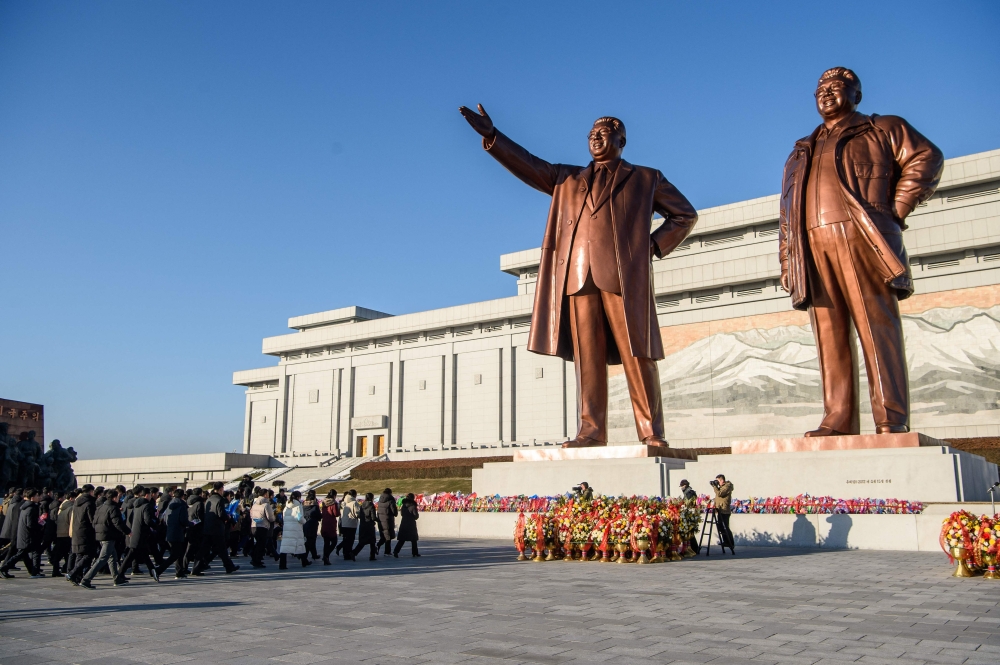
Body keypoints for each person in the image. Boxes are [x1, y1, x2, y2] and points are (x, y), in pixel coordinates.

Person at [459, 105, 698, 448]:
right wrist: (493, 137)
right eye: (591, 135)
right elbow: (528, 164)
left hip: (622, 278)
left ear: (621, 140)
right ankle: (591, 431)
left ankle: (651, 432)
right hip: (577, 276)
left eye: (603, 133)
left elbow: (684, 215)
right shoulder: (566, 179)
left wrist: (650, 247)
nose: (596, 138)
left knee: (637, 353)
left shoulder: (646, 178)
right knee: (587, 359)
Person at [779, 67, 943, 437]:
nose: (826, 93)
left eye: (837, 87)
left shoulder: (880, 128)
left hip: (862, 237)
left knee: (877, 326)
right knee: (829, 335)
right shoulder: (800, 151)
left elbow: (926, 158)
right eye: (820, 88)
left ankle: (890, 417)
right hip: (811, 245)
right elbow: (787, 214)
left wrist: (895, 209)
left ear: (857, 96)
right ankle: (837, 418)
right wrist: (789, 260)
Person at [81, 489, 128, 588]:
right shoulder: (113, 508)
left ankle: (117, 578)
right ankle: (86, 579)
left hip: (101, 535)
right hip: (108, 536)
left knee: (112, 557)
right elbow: (117, 523)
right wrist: (128, 531)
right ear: (115, 498)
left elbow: (94, 521)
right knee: (102, 559)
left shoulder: (101, 507)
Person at [191, 482, 239, 575]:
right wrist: (228, 518)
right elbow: (221, 514)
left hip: (208, 527)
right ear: (221, 489)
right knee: (221, 548)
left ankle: (197, 567)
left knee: (206, 549)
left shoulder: (209, 499)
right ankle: (228, 567)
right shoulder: (219, 500)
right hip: (217, 528)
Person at [116, 487, 160, 583]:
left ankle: (153, 572)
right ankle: (119, 574)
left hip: (136, 531)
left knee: (144, 554)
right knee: (131, 554)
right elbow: (147, 520)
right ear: (147, 495)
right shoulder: (146, 505)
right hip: (141, 533)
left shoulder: (136, 505)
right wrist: (156, 527)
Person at [0, 489, 44, 578]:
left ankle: (34, 571)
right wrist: (40, 524)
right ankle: (4, 568)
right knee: (29, 553)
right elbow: (30, 524)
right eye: (37, 496)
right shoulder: (31, 508)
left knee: (23, 553)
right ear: (32, 498)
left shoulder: (24, 506)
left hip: (24, 535)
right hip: (29, 536)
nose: (39, 497)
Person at [66, 484, 98, 585]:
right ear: (91, 491)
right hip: (86, 532)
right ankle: (72, 573)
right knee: (89, 555)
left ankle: (77, 578)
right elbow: (92, 519)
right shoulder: (89, 503)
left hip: (77, 530)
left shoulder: (76, 502)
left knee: (80, 555)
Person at [156, 489, 190, 579]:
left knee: (178, 553)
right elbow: (183, 520)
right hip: (178, 532)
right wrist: (191, 523)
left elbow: (165, 518)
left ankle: (179, 572)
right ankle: (158, 571)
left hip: (169, 531)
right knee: (175, 555)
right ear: (183, 496)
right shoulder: (182, 505)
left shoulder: (170, 504)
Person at [278, 490, 310, 569]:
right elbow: (299, 518)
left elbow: (284, 517)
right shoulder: (298, 506)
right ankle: (304, 561)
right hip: (296, 528)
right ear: (298, 497)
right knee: (300, 545)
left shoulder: (286, 506)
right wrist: (304, 521)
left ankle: (282, 564)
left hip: (287, 528)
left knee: (285, 547)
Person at [249, 487, 275, 568]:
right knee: (261, 545)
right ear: (265, 495)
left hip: (254, 525)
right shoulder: (266, 505)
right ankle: (257, 560)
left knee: (258, 543)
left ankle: (254, 558)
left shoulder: (254, 504)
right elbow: (270, 517)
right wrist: (273, 519)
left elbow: (251, 515)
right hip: (263, 526)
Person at [50, 490, 75, 577]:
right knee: (68, 553)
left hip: (60, 532)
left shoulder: (61, 507)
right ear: (71, 498)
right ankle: (68, 569)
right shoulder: (71, 508)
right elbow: (71, 522)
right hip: (67, 533)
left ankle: (57, 569)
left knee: (61, 553)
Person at [711, 475, 735, 554]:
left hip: (725, 511)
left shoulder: (727, 486)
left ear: (722, 480)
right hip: (720, 510)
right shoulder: (721, 487)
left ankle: (730, 543)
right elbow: (718, 497)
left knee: (726, 527)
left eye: (718, 481)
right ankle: (725, 541)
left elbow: (720, 494)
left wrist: (714, 486)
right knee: (720, 527)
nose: (717, 483)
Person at [352, 492, 379, 561]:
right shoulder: (371, 505)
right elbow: (373, 517)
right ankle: (372, 556)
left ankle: (354, 552)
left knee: (362, 542)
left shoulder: (362, 505)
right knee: (372, 541)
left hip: (363, 525)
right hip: (369, 525)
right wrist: (378, 520)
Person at [184, 488, 205, 574]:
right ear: (200, 494)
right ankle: (196, 569)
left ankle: (184, 567)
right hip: (197, 529)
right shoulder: (199, 503)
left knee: (189, 549)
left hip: (189, 527)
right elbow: (201, 517)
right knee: (199, 550)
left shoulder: (188, 502)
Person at [393, 493, 420, 558]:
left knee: (402, 539)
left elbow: (402, 514)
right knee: (413, 539)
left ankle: (396, 551)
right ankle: (415, 553)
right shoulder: (413, 506)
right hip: (411, 524)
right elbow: (415, 516)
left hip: (404, 523)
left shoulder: (403, 506)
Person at [338, 490, 359, 561]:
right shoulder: (354, 502)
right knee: (350, 540)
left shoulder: (343, 502)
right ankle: (348, 554)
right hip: (351, 524)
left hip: (344, 523)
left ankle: (345, 553)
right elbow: (357, 513)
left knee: (345, 539)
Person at [375, 487, 397, 556]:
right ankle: (387, 551)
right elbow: (394, 511)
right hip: (388, 520)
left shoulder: (380, 501)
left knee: (384, 536)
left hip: (380, 520)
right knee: (388, 537)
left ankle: (378, 546)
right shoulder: (390, 501)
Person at [320, 490, 339, 565]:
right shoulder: (333, 503)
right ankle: (326, 556)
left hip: (324, 523)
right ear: (334, 495)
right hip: (331, 524)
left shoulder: (324, 502)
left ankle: (326, 558)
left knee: (326, 543)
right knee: (334, 542)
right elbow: (336, 513)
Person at [302, 490, 321, 560]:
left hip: (305, 524)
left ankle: (314, 554)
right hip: (313, 525)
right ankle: (303, 556)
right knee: (310, 541)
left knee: (311, 540)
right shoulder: (315, 506)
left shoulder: (304, 506)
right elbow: (318, 515)